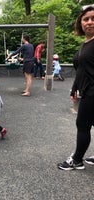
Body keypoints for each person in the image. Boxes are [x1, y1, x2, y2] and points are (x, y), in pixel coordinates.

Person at [58, 5, 94, 170]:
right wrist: (74, 88)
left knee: (83, 125)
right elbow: (81, 70)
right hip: (85, 90)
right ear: (80, 23)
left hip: (92, 92)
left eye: (93, 19)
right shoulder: (85, 44)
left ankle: (77, 160)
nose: (89, 22)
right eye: (85, 19)